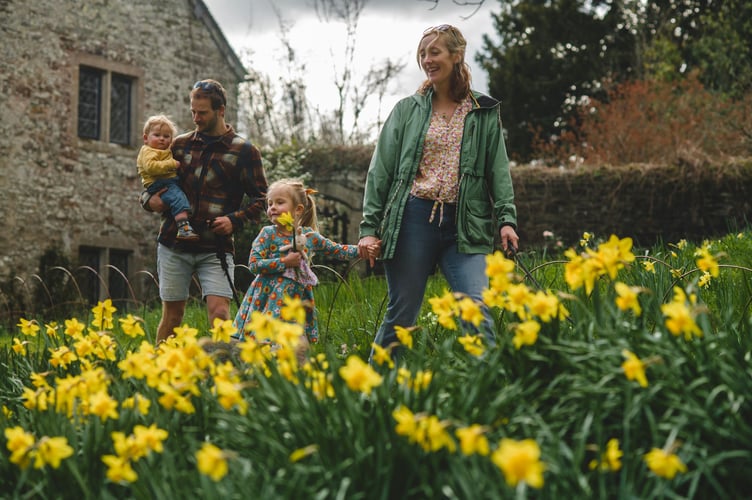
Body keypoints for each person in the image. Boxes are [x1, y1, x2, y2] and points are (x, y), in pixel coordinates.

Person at [357, 24, 520, 360]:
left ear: (456, 55)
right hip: (413, 221)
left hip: (465, 224)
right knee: (402, 316)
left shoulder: (484, 112)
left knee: (476, 308)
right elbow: (381, 172)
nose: (427, 60)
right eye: (422, 54)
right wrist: (369, 228)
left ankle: (488, 390)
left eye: (434, 52)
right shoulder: (407, 110)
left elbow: (497, 170)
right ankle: (371, 394)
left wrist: (506, 219)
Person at [142, 79, 268, 344]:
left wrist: (235, 220)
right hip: (174, 243)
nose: (196, 118)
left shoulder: (245, 151)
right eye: (193, 112)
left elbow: (263, 199)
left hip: (216, 248)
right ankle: (160, 375)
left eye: (203, 113)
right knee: (172, 317)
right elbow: (149, 179)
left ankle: (224, 375)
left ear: (220, 110)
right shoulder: (179, 145)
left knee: (220, 314)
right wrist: (149, 201)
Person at [233, 179, 380, 357]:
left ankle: (297, 378)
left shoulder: (309, 236)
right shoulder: (267, 234)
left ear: (298, 209)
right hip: (267, 300)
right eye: (270, 203)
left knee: (297, 347)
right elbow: (254, 264)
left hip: (295, 303)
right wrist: (284, 262)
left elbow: (338, 250)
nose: (272, 207)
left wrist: (363, 250)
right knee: (264, 344)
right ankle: (261, 377)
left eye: (279, 202)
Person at [137, 114, 199, 241]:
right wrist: (172, 164)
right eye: (157, 135)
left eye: (166, 136)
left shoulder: (165, 149)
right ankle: (183, 228)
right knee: (177, 197)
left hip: (167, 182)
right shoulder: (148, 151)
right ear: (145, 138)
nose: (161, 139)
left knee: (177, 196)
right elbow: (151, 167)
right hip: (160, 183)